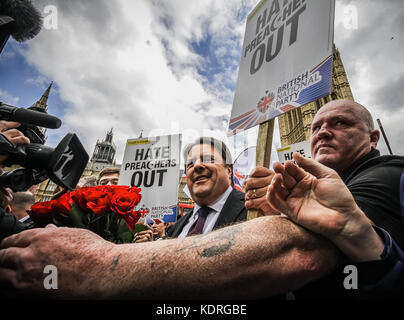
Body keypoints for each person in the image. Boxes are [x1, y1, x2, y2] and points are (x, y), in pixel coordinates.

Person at [0, 100, 400, 298]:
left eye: (341, 123)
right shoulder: (180, 223)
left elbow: (299, 253)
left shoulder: (386, 174)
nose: (323, 132)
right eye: (316, 125)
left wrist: (102, 265)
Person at [166, 137, 247, 238]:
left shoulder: (253, 209)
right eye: (190, 164)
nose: (197, 165)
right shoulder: (177, 227)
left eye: (208, 159)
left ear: (229, 170)